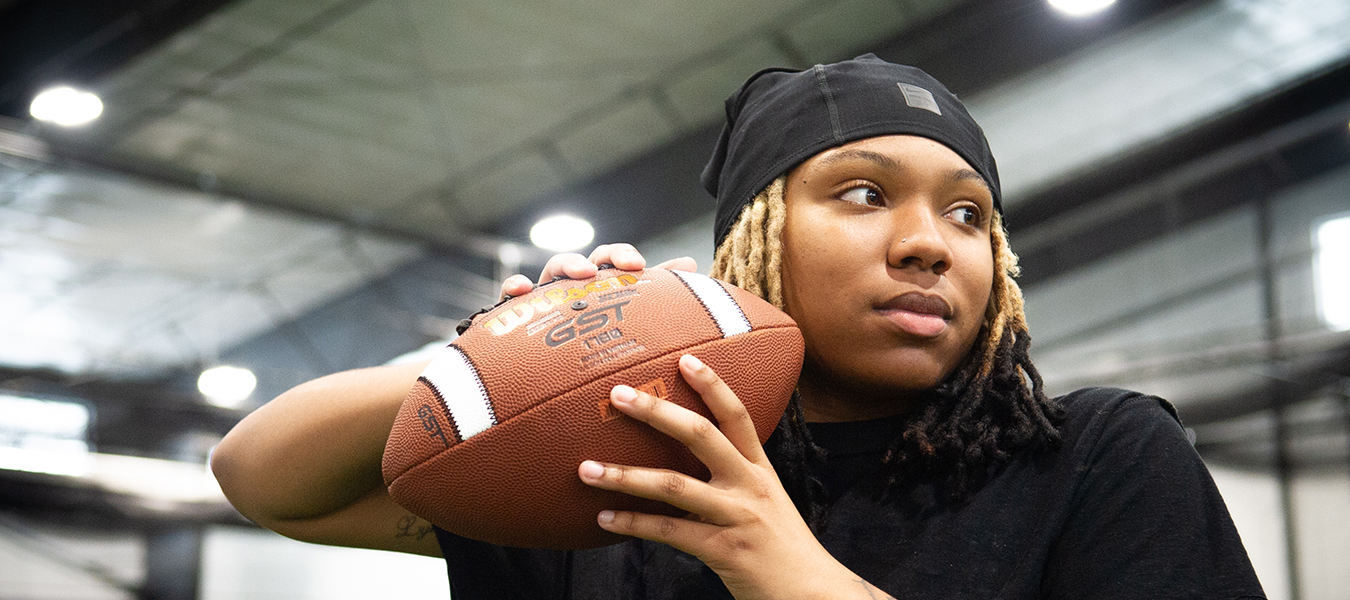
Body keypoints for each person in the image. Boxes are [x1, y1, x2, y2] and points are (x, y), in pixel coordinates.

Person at [211, 55, 1266, 599]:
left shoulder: (1099, 455)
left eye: (968, 214)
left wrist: (790, 573)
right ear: (753, 245)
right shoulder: (631, 466)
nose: (930, 244)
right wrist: (512, 360)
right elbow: (264, 477)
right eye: (863, 193)